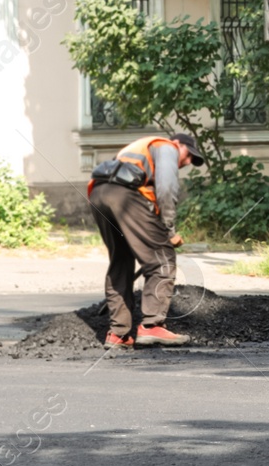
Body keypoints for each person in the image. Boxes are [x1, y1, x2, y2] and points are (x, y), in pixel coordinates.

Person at [86, 132, 204, 348]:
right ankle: (151, 326)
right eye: (188, 156)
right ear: (178, 144)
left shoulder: (135, 148)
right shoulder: (167, 146)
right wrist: (168, 231)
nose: (186, 162)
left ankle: (118, 334)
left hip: (99, 194)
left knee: (121, 261)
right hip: (124, 196)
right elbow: (167, 189)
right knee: (162, 260)